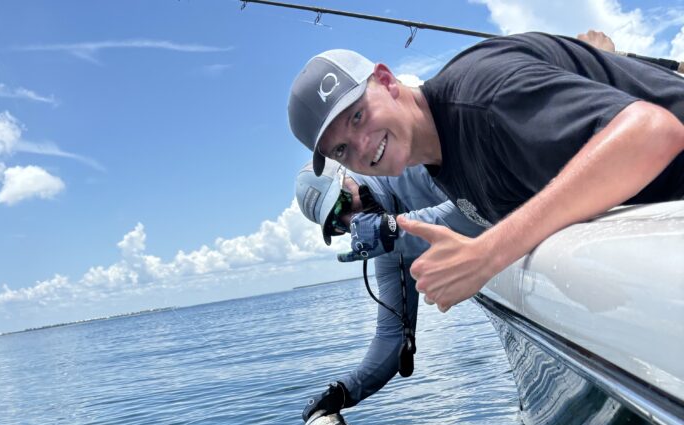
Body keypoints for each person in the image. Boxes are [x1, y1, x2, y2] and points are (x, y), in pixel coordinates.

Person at [287, 35, 684, 311]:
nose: (361, 146)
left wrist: (488, 255)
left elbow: (654, 133)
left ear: (388, 81)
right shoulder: (439, 156)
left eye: (358, 116)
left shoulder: (483, 100)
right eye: (340, 148)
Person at [295, 159, 483, 418]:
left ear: (349, 175)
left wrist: (394, 231)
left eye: (343, 203)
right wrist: (343, 392)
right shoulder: (386, 246)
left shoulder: (409, 164)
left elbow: (482, 208)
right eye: (337, 225)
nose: (351, 221)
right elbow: (391, 340)